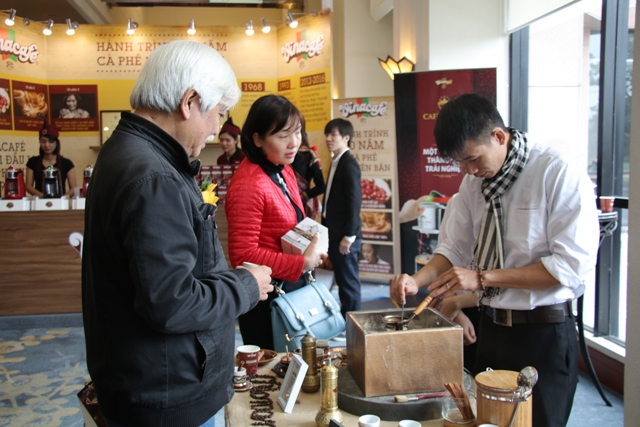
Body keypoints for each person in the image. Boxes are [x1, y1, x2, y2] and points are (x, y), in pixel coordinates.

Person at [82, 40, 274, 427]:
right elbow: (171, 303)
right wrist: (246, 286)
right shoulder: (154, 176)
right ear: (189, 102)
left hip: (149, 378)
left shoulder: (129, 150)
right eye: (218, 113)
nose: (217, 129)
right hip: (166, 394)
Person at [390, 93, 599, 427]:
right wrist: (417, 280)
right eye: (461, 164)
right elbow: (454, 249)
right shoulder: (474, 183)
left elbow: (568, 268)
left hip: (542, 332)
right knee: (486, 421)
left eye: (473, 159)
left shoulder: (556, 171)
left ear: (499, 136)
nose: (470, 171)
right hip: (492, 329)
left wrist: (483, 278)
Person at [226, 94, 325, 350]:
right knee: (274, 368)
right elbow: (243, 255)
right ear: (257, 139)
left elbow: (294, 222)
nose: (294, 143)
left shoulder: (283, 168)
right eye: (283, 136)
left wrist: (313, 247)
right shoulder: (249, 183)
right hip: (268, 299)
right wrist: (301, 262)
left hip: (291, 291)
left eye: (298, 132)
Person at [322, 118, 362, 320]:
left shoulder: (349, 164)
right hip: (335, 232)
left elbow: (354, 202)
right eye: (327, 135)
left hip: (345, 236)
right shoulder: (336, 161)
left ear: (346, 138)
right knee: (342, 280)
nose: (328, 139)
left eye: (333, 135)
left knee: (348, 282)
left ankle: (353, 324)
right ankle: (347, 320)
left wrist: (349, 236)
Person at [25, 120, 77, 197]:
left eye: (51, 141)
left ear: (56, 143)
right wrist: (43, 197)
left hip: (60, 202)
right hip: (39, 201)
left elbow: (73, 188)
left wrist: (62, 200)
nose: (47, 145)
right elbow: (28, 186)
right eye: (43, 141)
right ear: (39, 142)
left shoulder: (67, 163)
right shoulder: (32, 162)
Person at [291, 117, 325, 221]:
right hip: (281, 203)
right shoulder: (279, 153)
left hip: (301, 206)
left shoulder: (309, 154)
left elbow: (321, 186)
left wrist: (303, 196)